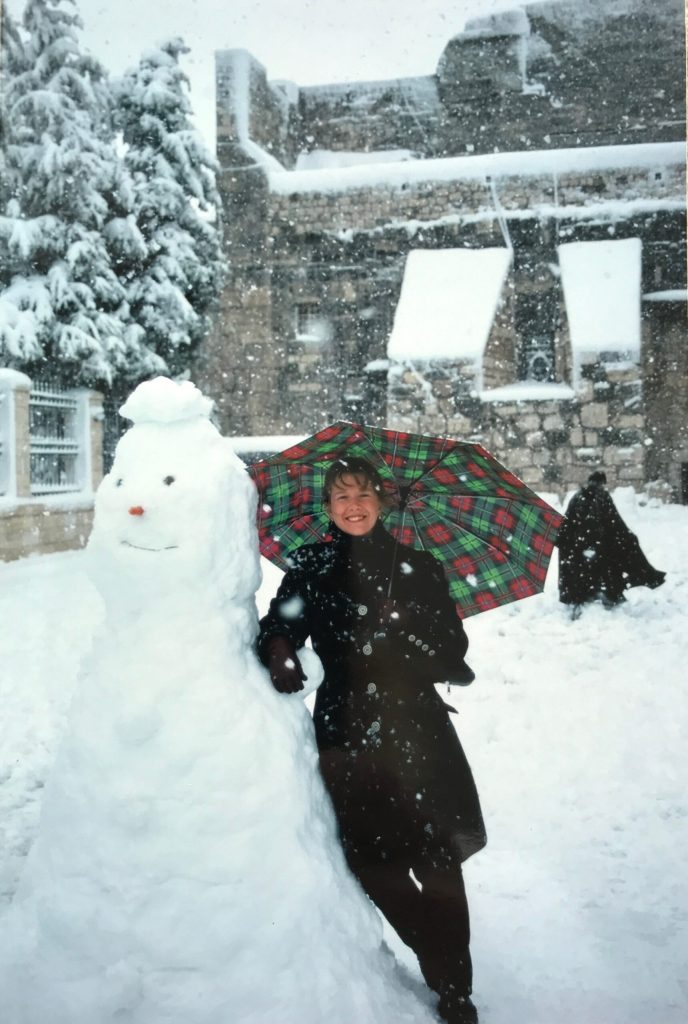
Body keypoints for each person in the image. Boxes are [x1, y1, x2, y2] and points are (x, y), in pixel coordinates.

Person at [257, 457, 486, 1024]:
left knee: (437, 859)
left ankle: (455, 987)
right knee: (370, 860)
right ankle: (435, 954)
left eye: (361, 494)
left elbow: (452, 655)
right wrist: (279, 648)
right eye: (340, 497)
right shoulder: (311, 565)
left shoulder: (419, 567)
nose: (352, 505)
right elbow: (280, 621)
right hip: (345, 732)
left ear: (382, 500)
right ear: (328, 508)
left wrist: (406, 621)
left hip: (418, 729)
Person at [558, 470, 665, 615]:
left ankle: (583, 592)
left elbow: (567, 525)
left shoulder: (578, 497)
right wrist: (627, 538)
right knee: (611, 555)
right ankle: (608, 591)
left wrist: (573, 541)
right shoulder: (601, 497)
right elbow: (615, 523)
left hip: (579, 546)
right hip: (596, 545)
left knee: (593, 559)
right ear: (602, 483)